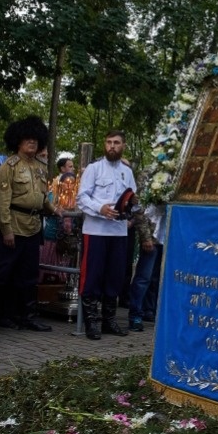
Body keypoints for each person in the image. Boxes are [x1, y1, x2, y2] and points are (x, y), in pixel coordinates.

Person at [0, 116, 57, 338]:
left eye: (35, 139)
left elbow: (42, 197)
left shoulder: (40, 168)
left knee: (29, 275)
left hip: (33, 227)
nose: (32, 142)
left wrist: (54, 209)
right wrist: (6, 230)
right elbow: (0, 201)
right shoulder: (9, 166)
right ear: (18, 141)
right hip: (13, 226)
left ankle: (27, 316)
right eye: (27, 138)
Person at [75, 130, 137, 339]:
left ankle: (109, 320)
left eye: (116, 142)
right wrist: (100, 208)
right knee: (92, 275)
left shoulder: (127, 172)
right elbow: (82, 198)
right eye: (109, 142)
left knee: (115, 275)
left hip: (118, 231)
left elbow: (132, 197)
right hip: (96, 230)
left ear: (123, 146)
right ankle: (91, 322)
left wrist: (132, 207)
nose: (112, 146)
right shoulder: (94, 169)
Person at [128, 204, 163, 332]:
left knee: (157, 278)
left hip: (166, 237)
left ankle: (149, 310)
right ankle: (135, 315)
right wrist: (145, 237)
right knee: (143, 278)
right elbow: (139, 210)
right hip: (151, 237)